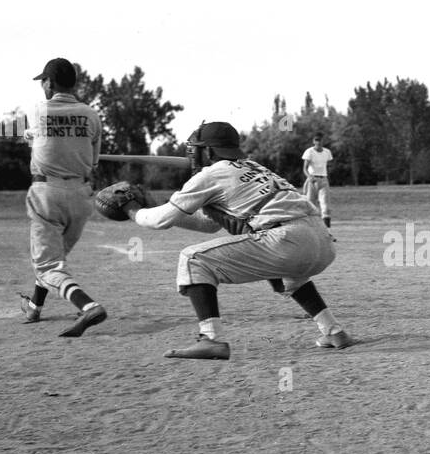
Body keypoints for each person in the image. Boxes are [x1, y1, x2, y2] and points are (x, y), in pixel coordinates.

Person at [126, 121, 351, 360]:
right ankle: (334, 331)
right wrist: (159, 210)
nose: (193, 154)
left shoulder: (210, 174)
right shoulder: (255, 167)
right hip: (320, 238)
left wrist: (132, 211)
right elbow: (210, 224)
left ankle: (211, 339)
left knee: (193, 259)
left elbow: (160, 220)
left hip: (287, 238)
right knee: (287, 271)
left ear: (208, 151)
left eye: (196, 149)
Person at [16, 57, 108, 337]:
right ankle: (34, 306)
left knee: (47, 265)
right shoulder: (92, 115)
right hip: (81, 197)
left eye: (43, 81)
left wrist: (29, 138)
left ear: (49, 82)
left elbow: (36, 134)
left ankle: (87, 305)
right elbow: (93, 162)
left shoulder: (40, 110)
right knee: (54, 261)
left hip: (47, 195)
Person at [300, 131, 334, 228]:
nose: (318, 142)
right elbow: (304, 168)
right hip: (312, 180)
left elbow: (328, 166)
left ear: (323, 141)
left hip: (323, 179)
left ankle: (327, 232)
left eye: (320, 140)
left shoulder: (327, 152)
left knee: (326, 207)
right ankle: (310, 230)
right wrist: (310, 177)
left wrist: (327, 177)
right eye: (316, 140)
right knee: (310, 206)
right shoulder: (309, 152)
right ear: (313, 141)